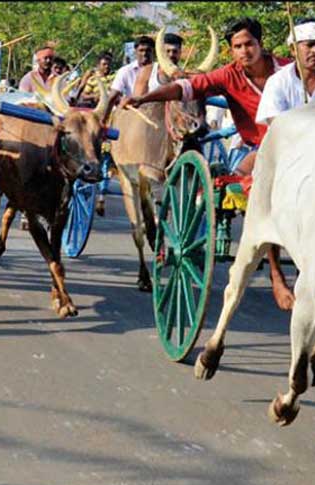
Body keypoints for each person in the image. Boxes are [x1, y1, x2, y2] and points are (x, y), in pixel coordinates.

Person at [119, 17, 297, 310]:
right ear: (231, 51)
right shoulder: (228, 76)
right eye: (237, 46)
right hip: (262, 150)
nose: (244, 51)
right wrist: (144, 98)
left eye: (248, 44)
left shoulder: (291, 70)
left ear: (260, 44)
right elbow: (185, 89)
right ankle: (277, 275)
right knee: (258, 194)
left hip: (302, 144)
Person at [106, 34, 154, 113]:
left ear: (153, 52)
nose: (144, 53)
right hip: (130, 111)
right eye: (141, 50)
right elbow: (113, 96)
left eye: (148, 50)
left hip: (153, 112)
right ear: (135, 52)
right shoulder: (125, 71)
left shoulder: (159, 71)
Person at [133, 32, 183, 96]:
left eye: (175, 51)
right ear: (161, 52)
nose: (171, 55)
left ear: (180, 53)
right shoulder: (148, 71)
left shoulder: (183, 75)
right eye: (167, 51)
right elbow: (137, 99)